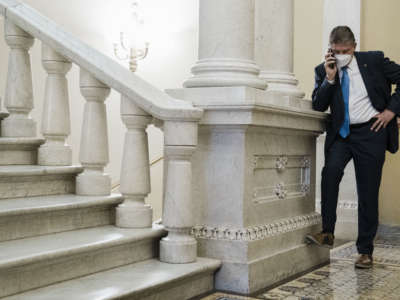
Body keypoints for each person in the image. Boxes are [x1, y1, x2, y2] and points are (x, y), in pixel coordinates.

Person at [305, 26, 400, 269]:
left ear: (354, 47)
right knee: (330, 174)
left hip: (371, 132)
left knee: (367, 191)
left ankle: (365, 251)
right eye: (336, 51)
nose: (340, 55)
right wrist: (329, 78)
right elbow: (318, 104)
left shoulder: (374, 60)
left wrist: (391, 111)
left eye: (345, 51)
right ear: (330, 50)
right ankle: (327, 231)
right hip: (342, 135)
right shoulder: (325, 69)